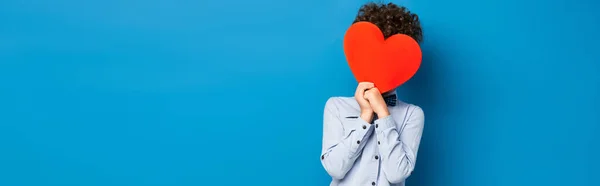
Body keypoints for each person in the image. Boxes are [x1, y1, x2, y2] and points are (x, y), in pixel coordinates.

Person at [320, 2, 424, 186]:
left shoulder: (412, 114)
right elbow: (335, 168)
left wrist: (383, 114)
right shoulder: (336, 106)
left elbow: (397, 174)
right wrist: (365, 116)